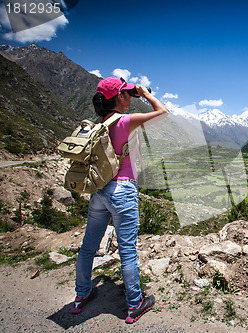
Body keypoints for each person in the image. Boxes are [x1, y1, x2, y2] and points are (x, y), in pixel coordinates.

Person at [71, 76, 168, 324]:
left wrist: (130, 92)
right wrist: (144, 93)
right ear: (119, 98)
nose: (129, 96)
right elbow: (162, 112)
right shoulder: (126, 121)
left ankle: (82, 296)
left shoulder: (99, 124)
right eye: (126, 93)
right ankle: (134, 304)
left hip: (99, 190)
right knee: (127, 250)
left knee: (88, 246)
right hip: (122, 191)